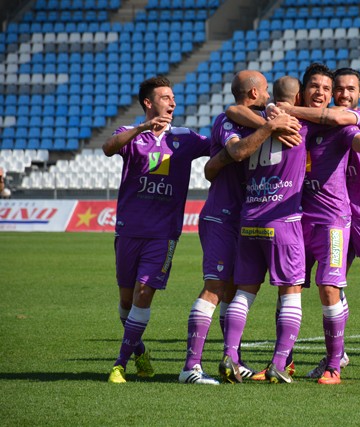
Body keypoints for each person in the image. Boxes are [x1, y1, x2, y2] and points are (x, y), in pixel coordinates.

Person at [279, 66, 360, 383]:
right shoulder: (320, 124)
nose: (344, 94)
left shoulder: (358, 117)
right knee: (330, 287)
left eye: (351, 89)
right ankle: (337, 354)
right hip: (332, 215)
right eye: (340, 89)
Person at [179, 70, 300, 385]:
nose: (269, 98)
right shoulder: (228, 121)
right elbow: (235, 151)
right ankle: (190, 367)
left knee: (232, 290)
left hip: (246, 217)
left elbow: (216, 162)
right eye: (264, 92)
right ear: (255, 92)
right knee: (215, 288)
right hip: (221, 215)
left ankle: (231, 359)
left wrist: (268, 121)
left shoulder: (253, 116)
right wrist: (270, 126)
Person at [104, 76, 211, 383]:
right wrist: (140, 128)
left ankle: (119, 364)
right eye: (165, 97)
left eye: (173, 98)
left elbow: (220, 144)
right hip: (128, 230)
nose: (172, 102)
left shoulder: (184, 137)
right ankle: (140, 353)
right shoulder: (130, 134)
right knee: (126, 301)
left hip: (163, 233)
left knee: (143, 291)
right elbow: (109, 148)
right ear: (149, 103)